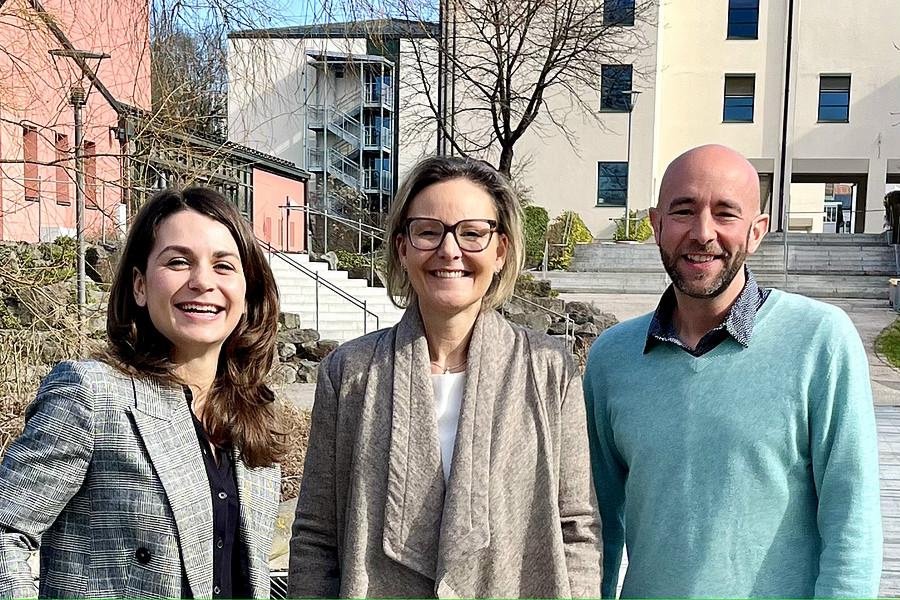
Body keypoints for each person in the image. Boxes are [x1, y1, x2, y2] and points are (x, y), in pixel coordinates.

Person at [289, 156, 601, 598]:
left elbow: (577, 525)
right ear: (402, 247)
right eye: (428, 231)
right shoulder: (351, 373)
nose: (449, 250)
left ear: (500, 251)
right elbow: (316, 536)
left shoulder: (548, 369)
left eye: (472, 233)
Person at [584, 144, 882, 598]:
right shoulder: (612, 358)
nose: (702, 233)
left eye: (725, 214)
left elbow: (852, 519)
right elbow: (596, 524)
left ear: (756, 232)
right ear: (656, 225)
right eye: (683, 211)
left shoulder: (820, 340)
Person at [0, 187, 284, 598]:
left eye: (224, 266)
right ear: (139, 285)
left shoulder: (251, 413)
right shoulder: (92, 395)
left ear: (247, 291)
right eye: (178, 262)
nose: (202, 281)